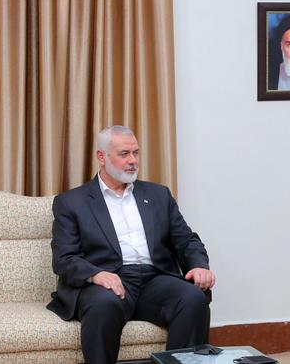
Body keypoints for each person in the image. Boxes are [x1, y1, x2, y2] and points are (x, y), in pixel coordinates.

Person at [46, 126, 216, 364]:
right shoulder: (72, 202)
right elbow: (64, 258)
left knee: (192, 298)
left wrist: (199, 264)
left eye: (136, 153)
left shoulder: (158, 195)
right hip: (107, 280)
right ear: (102, 157)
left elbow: (186, 240)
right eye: (124, 154)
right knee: (103, 304)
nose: (133, 161)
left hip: (153, 280)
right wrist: (96, 275)